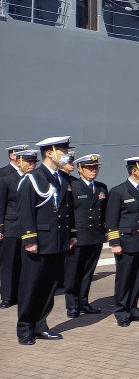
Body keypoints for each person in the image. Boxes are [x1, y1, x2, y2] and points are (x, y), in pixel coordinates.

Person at [16, 136, 76, 344]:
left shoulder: (62, 178)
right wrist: (29, 239)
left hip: (57, 241)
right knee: (31, 287)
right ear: (49, 153)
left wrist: (71, 235)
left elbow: (67, 211)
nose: (67, 155)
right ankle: (25, 329)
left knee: (49, 288)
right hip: (38, 243)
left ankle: (41, 325)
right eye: (63, 151)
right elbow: (25, 212)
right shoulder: (32, 178)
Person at [107, 155, 139, 327]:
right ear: (135, 170)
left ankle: (134, 308)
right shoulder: (118, 191)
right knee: (124, 279)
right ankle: (122, 312)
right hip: (126, 241)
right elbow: (112, 220)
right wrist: (115, 243)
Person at [64, 153, 107, 317]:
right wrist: (70, 234)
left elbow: (104, 212)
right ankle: (72, 305)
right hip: (78, 237)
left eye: (95, 167)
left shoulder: (102, 187)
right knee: (73, 272)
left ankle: (83, 302)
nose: (93, 170)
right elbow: (68, 213)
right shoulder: (72, 187)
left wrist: (104, 231)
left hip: (95, 236)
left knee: (88, 272)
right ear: (80, 169)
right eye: (89, 168)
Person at [0, 147, 36, 308]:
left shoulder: (34, 179)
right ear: (19, 161)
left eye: (34, 162)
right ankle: (7, 296)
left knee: (25, 262)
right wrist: (1, 228)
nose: (32, 165)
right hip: (12, 226)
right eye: (29, 161)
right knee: (9, 263)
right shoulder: (6, 179)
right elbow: (1, 205)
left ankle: (22, 294)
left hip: (29, 227)